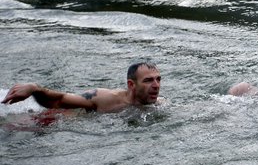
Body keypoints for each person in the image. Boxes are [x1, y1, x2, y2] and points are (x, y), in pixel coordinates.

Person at [2, 62, 161, 113]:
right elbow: (59, 100)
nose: (156, 86)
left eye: (158, 79)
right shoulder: (104, 98)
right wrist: (34, 88)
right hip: (51, 120)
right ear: (131, 85)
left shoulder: (159, 105)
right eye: (148, 80)